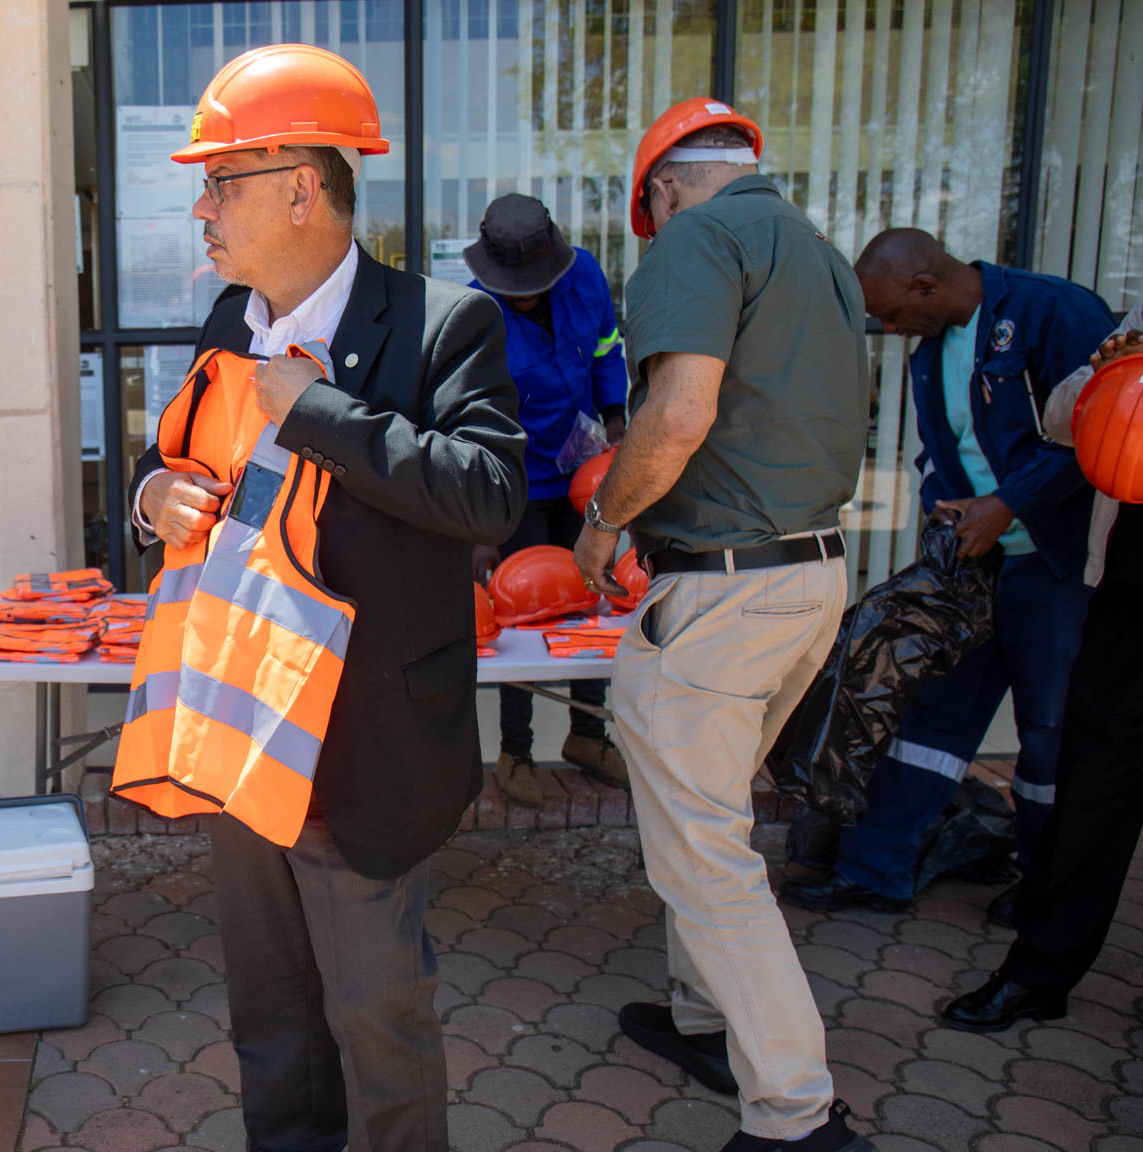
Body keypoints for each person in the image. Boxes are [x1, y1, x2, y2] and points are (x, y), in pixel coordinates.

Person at [132, 44, 525, 1151]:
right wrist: (152, 494)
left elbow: (490, 496)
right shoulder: (229, 318)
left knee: (375, 1015)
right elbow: (174, 453)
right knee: (270, 1016)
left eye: (223, 181)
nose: (202, 208)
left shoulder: (443, 323)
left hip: (363, 746)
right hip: (239, 728)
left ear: (303, 187)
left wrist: (317, 411)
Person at [570, 99, 875, 1152]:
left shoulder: (698, 239)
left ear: (662, 189)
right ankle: (705, 1021)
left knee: (704, 859)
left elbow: (680, 412)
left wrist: (604, 522)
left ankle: (795, 1115)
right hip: (809, 575)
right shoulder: (818, 253)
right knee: (713, 818)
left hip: (723, 588)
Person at [782, 229, 1111, 924]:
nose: (892, 330)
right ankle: (876, 870)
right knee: (931, 711)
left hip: (1054, 567)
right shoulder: (932, 352)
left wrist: (1008, 504)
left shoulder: (1053, 311)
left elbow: (1101, 432)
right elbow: (940, 451)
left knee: (1048, 732)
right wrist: (944, 507)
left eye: (894, 314)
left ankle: (1047, 888)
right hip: (974, 564)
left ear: (925, 287)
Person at [942, 317, 1143, 1032]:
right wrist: (1107, 373)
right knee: (1093, 784)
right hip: (1130, 591)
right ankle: (1037, 973)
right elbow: (1061, 422)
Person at [462, 193, 631, 806]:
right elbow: (469, 421)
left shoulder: (586, 277)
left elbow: (607, 349)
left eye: (536, 285)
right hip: (518, 483)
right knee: (522, 616)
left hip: (585, 474)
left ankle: (587, 735)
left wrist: (615, 417)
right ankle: (517, 750)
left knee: (591, 601)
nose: (526, 296)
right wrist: (482, 526)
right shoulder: (473, 314)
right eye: (517, 288)